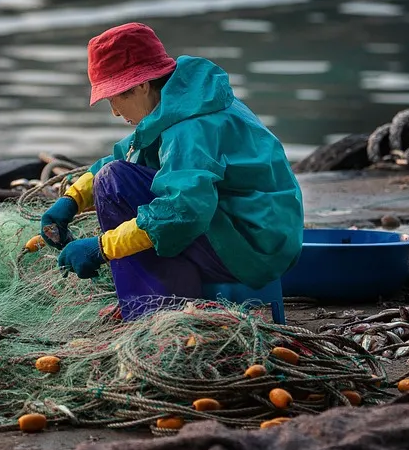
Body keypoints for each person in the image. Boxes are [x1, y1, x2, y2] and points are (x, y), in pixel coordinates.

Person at [41, 22, 303, 320]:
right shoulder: (188, 101)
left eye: (114, 98)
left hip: (252, 249)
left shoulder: (190, 127)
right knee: (116, 175)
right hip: (261, 234)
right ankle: (157, 297)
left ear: (141, 85)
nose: (114, 111)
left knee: (114, 184)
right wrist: (71, 200)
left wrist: (102, 248)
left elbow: (183, 212)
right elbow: (129, 155)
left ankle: (155, 313)